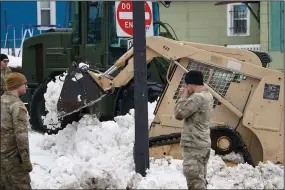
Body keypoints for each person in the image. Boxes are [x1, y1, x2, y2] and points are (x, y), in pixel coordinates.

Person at [174, 70, 214, 190]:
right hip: (202, 144)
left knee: (195, 183)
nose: (186, 87)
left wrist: (183, 96)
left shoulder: (197, 98)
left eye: (187, 85)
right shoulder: (207, 95)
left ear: (191, 84)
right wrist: (188, 95)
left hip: (194, 146)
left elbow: (179, 114)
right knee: (200, 180)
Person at [1, 72, 32, 189]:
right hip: (13, 161)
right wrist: (26, 161)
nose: (26, 86)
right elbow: (21, 136)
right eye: (25, 83)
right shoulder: (17, 105)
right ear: (17, 85)